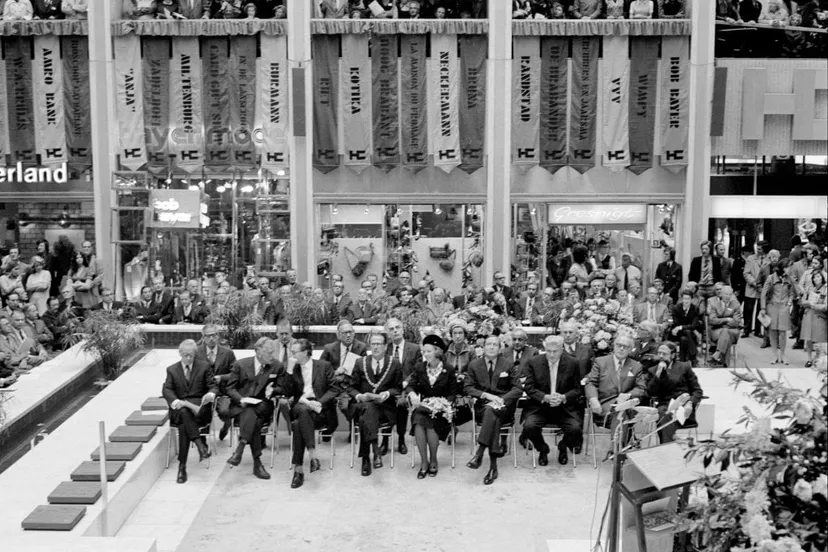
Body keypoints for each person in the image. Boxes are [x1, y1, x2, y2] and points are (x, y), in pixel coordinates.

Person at [464, 335, 522, 484]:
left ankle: (480, 453)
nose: (491, 347)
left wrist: (503, 399)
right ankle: (493, 467)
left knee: (493, 413)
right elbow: (468, 387)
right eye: (488, 344)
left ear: (499, 348)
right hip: (483, 407)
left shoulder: (508, 364)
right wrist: (486, 395)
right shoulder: (474, 365)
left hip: (503, 408)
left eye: (495, 345)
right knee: (491, 414)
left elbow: (517, 389)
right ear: (483, 347)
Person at [225, 338, 284, 480]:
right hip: (242, 406)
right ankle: (257, 463)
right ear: (258, 352)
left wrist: (273, 390)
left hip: (263, 405)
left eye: (273, 353)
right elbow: (230, 388)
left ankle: (240, 447)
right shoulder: (241, 365)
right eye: (269, 353)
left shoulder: (277, 366)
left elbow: (282, 387)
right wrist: (240, 399)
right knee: (255, 422)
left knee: (252, 412)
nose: (272, 356)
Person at [522, 335, 583, 466]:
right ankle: (543, 449)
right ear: (545, 348)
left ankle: (563, 446)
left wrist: (563, 397)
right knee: (529, 426)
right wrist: (545, 397)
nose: (551, 354)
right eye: (548, 351)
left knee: (576, 428)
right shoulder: (534, 362)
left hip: (564, 408)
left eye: (555, 351)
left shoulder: (573, 363)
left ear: (562, 349)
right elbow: (529, 388)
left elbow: (577, 389)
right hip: (540, 407)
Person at [286, 338, 338, 489]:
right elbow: (287, 392)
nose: (292, 354)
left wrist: (320, 402)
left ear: (305, 352)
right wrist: (289, 372)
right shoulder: (292, 369)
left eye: (294, 352)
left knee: (297, 425)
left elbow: (334, 389)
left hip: (320, 409)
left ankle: (298, 471)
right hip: (300, 405)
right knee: (302, 410)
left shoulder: (324, 366)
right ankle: (313, 454)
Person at [162, 339, 217, 484]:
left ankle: (182, 467)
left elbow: (213, 386)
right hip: (180, 410)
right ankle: (200, 446)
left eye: (191, 355)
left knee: (184, 422)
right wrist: (175, 402)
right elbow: (167, 389)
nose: (188, 358)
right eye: (185, 355)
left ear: (195, 354)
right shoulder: (172, 370)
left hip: (199, 410)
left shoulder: (204, 366)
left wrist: (210, 395)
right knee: (184, 415)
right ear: (180, 354)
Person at [349, 332, 403, 476]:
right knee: (368, 407)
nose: (376, 347)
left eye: (379, 344)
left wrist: (386, 394)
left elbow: (398, 388)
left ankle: (366, 458)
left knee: (365, 417)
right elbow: (351, 387)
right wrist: (359, 396)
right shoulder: (360, 362)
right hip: (362, 405)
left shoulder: (395, 363)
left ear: (386, 346)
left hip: (385, 408)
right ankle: (375, 451)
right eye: (373, 343)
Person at [406, 334, 458, 479]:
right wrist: (412, 394)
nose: (425, 354)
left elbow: (452, 394)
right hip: (423, 407)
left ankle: (433, 459)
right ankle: (424, 461)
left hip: (441, 410)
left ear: (437, 351)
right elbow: (410, 385)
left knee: (430, 425)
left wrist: (441, 405)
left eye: (428, 351)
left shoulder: (449, 370)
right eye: (424, 352)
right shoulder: (419, 368)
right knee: (418, 422)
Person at [585, 334, 648, 442]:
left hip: (628, 405)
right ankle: (618, 451)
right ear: (614, 346)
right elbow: (590, 383)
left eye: (626, 346)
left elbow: (641, 388)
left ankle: (616, 450)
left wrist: (628, 395)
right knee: (621, 414)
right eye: (619, 345)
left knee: (621, 412)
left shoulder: (636, 366)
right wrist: (593, 399)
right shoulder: (600, 362)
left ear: (630, 349)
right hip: (605, 405)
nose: (621, 348)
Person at [647, 342, 703, 443]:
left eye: (664, 354)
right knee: (664, 414)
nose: (661, 356)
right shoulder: (653, 370)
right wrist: (658, 375)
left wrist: (690, 403)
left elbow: (697, 390)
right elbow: (651, 392)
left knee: (665, 417)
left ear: (672, 355)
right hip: (665, 405)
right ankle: (668, 445)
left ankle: (666, 446)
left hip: (683, 404)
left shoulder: (684, 367)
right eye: (659, 353)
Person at [385, 317, 421, 455]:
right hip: (389, 387)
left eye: (397, 328)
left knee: (401, 404)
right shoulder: (386, 349)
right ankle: (385, 441)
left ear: (402, 329)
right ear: (388, 333)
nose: (395, 331)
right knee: (386, 402)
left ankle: (401, 439)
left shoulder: (414, 348)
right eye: (391, 329)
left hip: (408, 387)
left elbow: (417, 370)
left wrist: (406, 382)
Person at [196, 324, 237, 439]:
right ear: (203, 338)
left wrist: (222, 377)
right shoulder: (197, 353)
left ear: (218, 336)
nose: (211, 339)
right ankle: (203, 441)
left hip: (223, 391)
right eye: (208, 336)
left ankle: (226, 425)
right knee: (202, 411)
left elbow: (235, 374)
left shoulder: (228, 353)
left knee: (225, 411)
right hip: (204, 391)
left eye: (213, 335)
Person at [760, 259, 794, 365]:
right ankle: (774, 355)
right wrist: (763, 308)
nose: (790, 269)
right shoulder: (771, 278)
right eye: (788, 267)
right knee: (773, 331)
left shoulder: (790, 279)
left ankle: (783, 354)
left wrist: (789, 302)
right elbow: (763, 294)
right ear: (783, 267)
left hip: (784, 307)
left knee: (783, 332)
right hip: (772, 306)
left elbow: (792, 293)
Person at [707, 285, 743, 367]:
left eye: (730, 294)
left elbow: (736, 322)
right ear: (721, 294)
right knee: (726, 334)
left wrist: (720, 322)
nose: (728, 296)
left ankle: (718, 353)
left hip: (732, 332)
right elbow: (712, 320)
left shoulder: (736, 305)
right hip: (717, 332)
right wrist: (727, 319)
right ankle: (725, 364)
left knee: (726, 332)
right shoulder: (714, 304)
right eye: (726, 294)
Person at [800, 270, 827, 367]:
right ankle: (809, 358)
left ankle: (818, 358)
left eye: (819, 277)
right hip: (809, 314)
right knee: (809, 337)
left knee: (820, 338)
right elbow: (802, 301)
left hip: (820, 315)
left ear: (822, 278)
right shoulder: (809, 289)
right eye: (815, 277)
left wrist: (816, 306)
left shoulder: (825, 289)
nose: (816, 279)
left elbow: (826, 306)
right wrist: (808, 303)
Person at [743, 241, 768, 338]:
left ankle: (758, 330)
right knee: (748, 309)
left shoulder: (768, 259)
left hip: (762, 289)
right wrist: (754, 283)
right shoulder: (750, 258)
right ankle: (746, 329)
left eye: (760, 249)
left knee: (760, 309)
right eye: (757, 248)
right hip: (751, 287)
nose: (758, 250)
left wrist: (763, 285)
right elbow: (746, 273)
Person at [669, 289, 701, 364]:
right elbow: (676, 323)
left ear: (691, 299)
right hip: (676, 333)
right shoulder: (676, 308)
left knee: (684, 338)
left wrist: (681, 327)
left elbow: (693, 326)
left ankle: (682, 361)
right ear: (682, 299)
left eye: (688, 299)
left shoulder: (695, 309)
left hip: (689, 333)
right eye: (684, 298)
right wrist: (681, 327)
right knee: (686, 332)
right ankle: (693, 356)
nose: (686, 301)